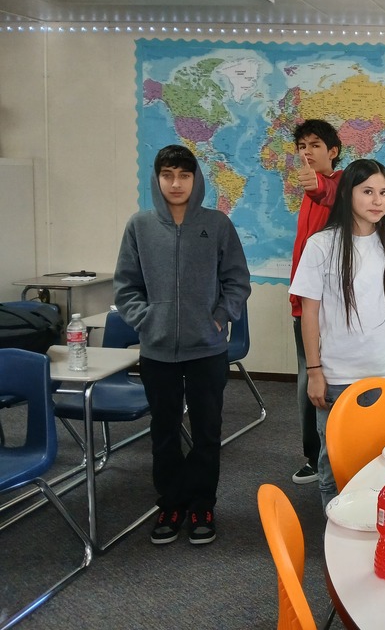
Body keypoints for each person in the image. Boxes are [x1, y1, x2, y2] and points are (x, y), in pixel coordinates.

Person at [114, 145, 251, 546]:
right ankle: (171, 503)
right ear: (157, 178)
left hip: (207, 349)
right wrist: (147, 320)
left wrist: (220, 316)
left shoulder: (216, 224)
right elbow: (126, 287)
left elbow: (237, 280)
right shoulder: (140, 226)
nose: (176, 183)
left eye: (184, 175)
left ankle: (203, 503)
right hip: (158, 351)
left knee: (207, 430)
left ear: (196, 179)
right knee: (164, 431)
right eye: (168, 175)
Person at [289, 158, 385, 509]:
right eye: (367, 191)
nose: (377, 200)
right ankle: (337, 525)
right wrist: (314, 372)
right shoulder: (322, 244)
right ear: (347, 194)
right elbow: (309, 313)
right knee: (335, 461)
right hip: (338, 375)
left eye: (384, 193)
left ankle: (381, 526)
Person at [287, 119, 342, 485]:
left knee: (325, 380)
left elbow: (331, 193)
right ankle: (313, 455)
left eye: (315, 145)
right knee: (307, 380)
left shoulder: (339, 184)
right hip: (302, 302)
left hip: (328, 307)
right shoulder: (308, 193)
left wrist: (318, 184)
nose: (307, 152)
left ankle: (331, 454)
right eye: (302, 147)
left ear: (333, 151)